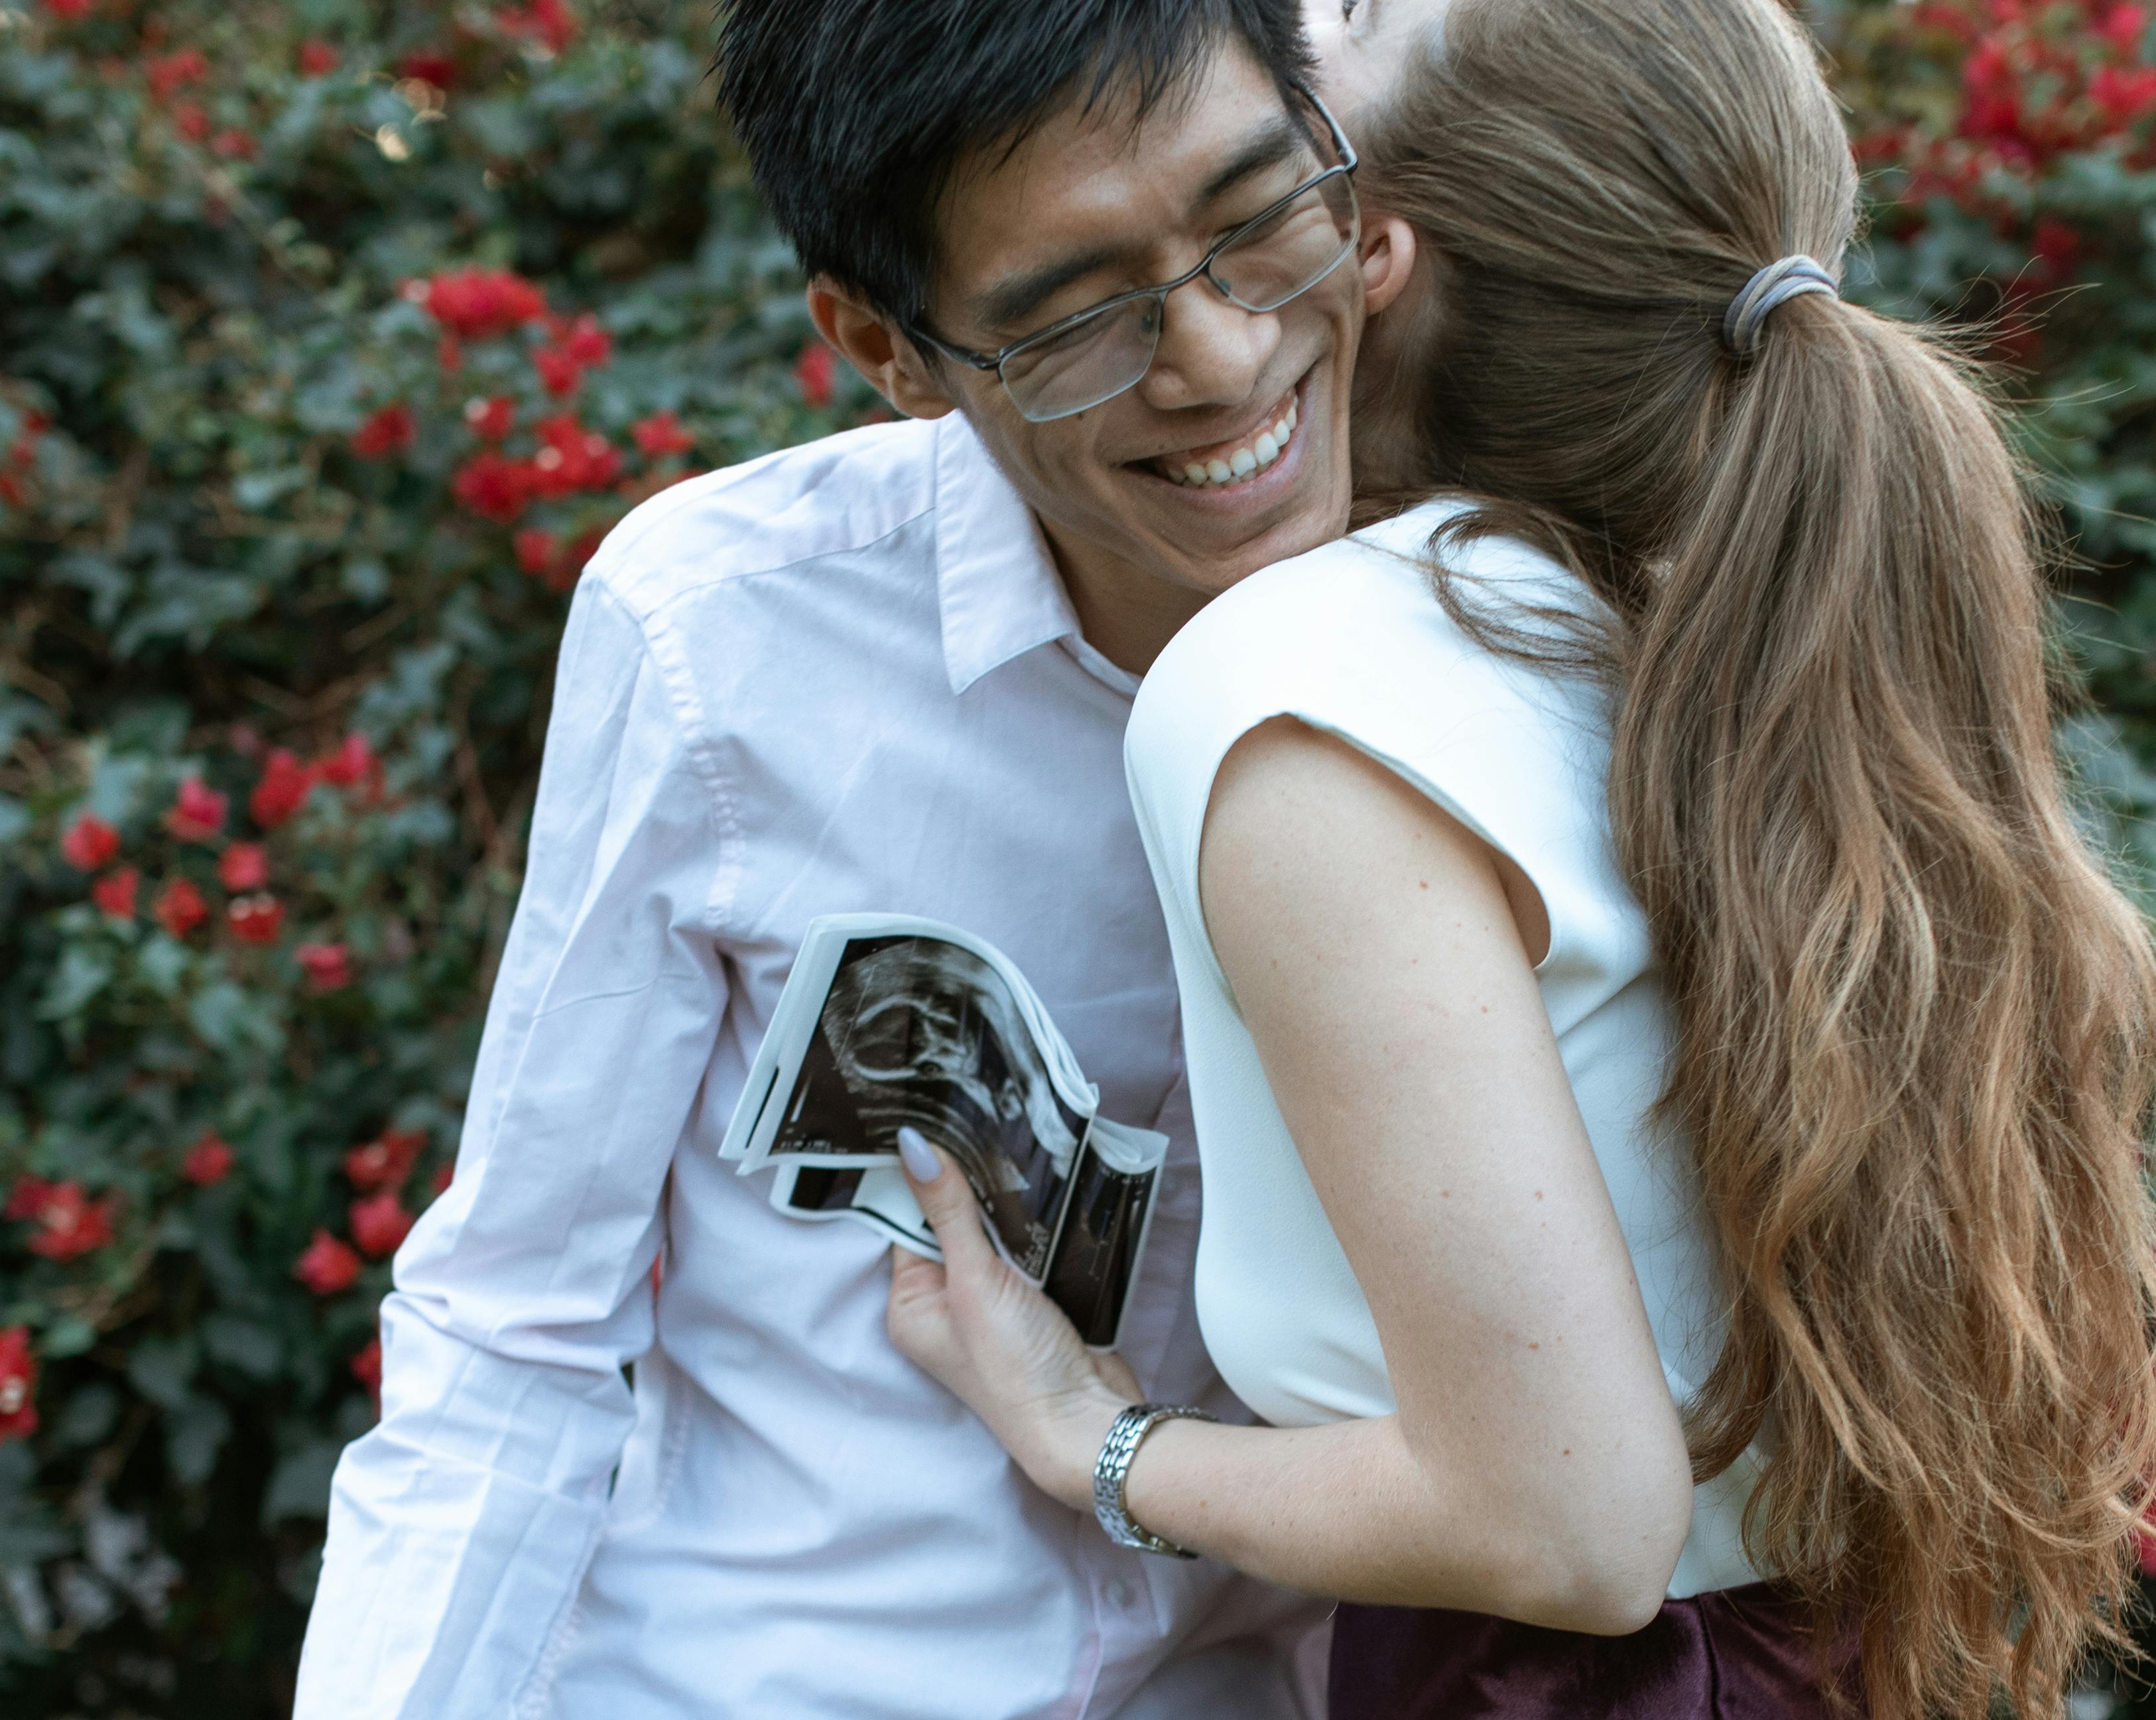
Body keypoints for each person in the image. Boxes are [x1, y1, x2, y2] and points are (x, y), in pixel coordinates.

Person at [877, 0, 2156, 1715]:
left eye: (1350, 25)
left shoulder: (1302, 682)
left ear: (1375, 255)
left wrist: (1096, 1439)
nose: (1293, 27)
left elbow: (1566, 1523)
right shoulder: (1740, 612)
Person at [292, 3, 1417, 1714]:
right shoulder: (724, 639)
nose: (1218, 356)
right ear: (889, 350)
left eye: (1260, 219)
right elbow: (518, 1321)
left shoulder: (1502, 611)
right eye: (1077, 318)